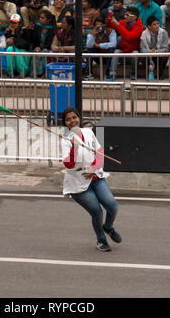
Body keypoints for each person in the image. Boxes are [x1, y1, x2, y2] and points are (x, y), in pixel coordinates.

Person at [60, 107, 122, 252]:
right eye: (68, 119)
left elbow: (99, 152)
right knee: (97, 212)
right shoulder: (66, 140)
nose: (72, 121)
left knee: (112, 206)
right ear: (65, 123)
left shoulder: (88, 132)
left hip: (96, 177)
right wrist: (74, 148)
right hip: (78, 183)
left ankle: (108, 227)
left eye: (74, 117)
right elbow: (68, 164)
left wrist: (94, 168)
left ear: (79, 118)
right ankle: (101, 240)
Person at [106, 5, 143, 81]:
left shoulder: (139, 27)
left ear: (134, 17)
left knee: (135, 53)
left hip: (133, 51)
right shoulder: (123, 22)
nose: (125, 16)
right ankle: (112, 74)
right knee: (116, 52)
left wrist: (118, 24)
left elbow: (129, 36)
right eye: (125, 14)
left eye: (127, 15)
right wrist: (110, 17)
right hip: (123, 50)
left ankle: (133, 72)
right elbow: (110, 25)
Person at [25, 9, 56, 76]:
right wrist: (29, 30)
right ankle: (33, 73)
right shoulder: (37, 27)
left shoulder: (52, 30)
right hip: (36, 47)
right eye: (40, 17)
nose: (40, 19)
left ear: (48, 20)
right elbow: (31, 39)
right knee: (34, 52)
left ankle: (41, 73)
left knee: (44, 52)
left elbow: (49, 43)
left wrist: (40, 48)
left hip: (46, 48)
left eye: (42, 18)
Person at [140, 15, 169, 80]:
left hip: (158, 54)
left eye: (157, 24)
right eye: (154, 24)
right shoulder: (144, 34)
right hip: (148, 54)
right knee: (142, 56)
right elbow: (142, 49)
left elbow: (165, 48)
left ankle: (161, 73)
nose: (157, 26)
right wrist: (149, 52)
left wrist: (156, 51)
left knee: (165, 56)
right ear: (149, 27)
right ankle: (149, 73)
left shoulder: (164, 32)